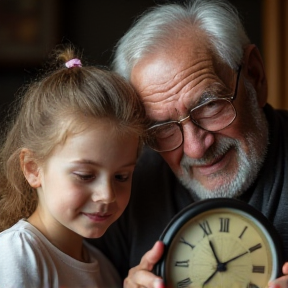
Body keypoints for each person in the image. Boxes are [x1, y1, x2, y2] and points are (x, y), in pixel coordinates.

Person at [89, 0, 288, 287]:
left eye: (210, 106)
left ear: (255, 77)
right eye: (163, 127)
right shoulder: (124, 191)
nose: (196, 148)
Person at [0, 44, 146, 287]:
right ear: (33, 168)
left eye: (121, 176)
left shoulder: (105, 271)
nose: (107, 195)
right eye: (85, 175)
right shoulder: (17, 253)